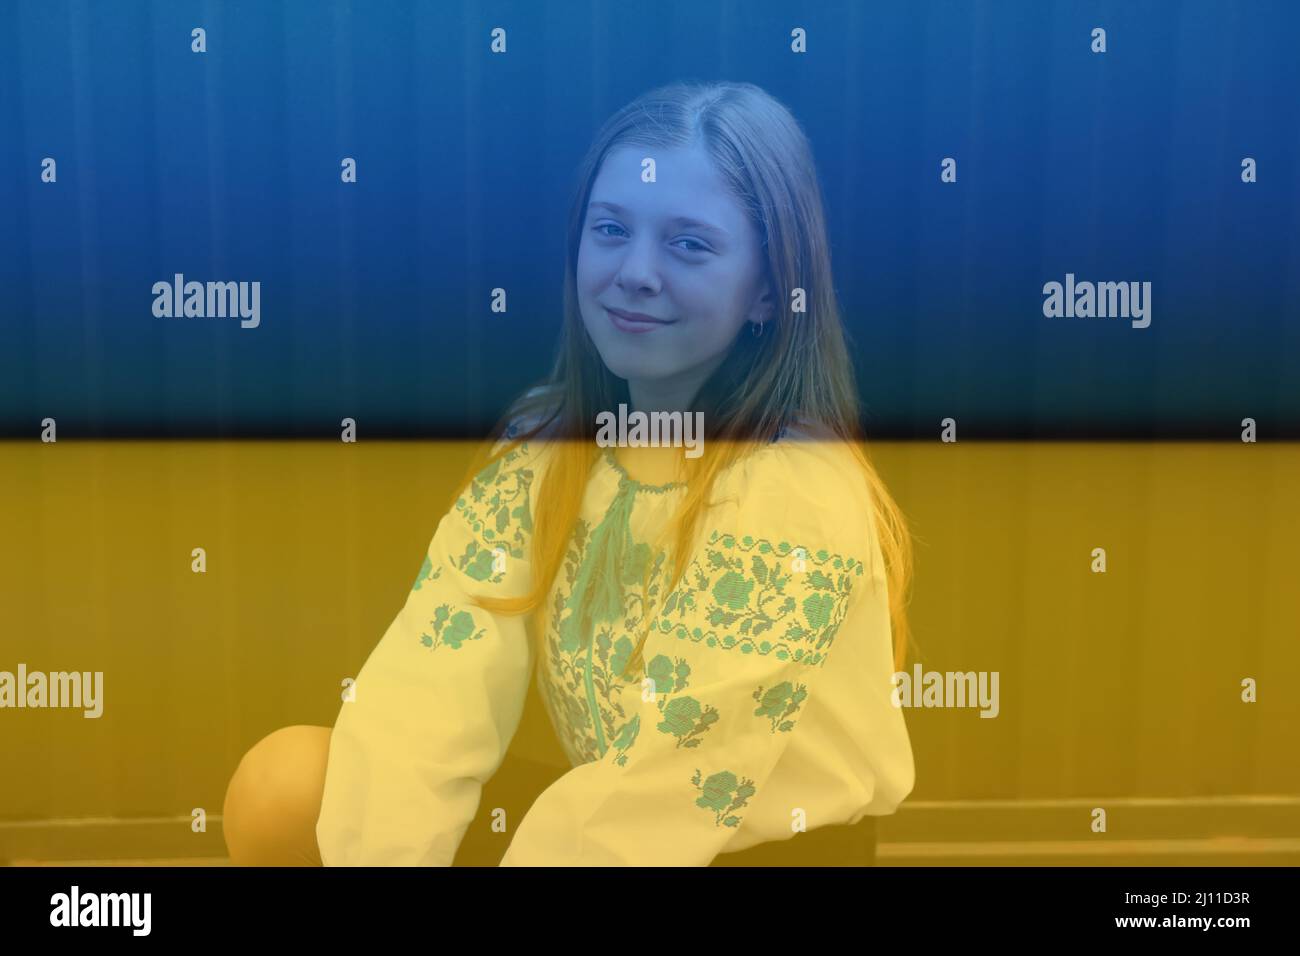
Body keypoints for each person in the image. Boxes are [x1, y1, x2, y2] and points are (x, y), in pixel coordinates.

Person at [223, 80, 915, 867]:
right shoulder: (547, 443)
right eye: (612, 230)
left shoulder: (792, 486)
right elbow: (431, 686)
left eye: (689, 244)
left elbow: (672, 786)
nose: (636, 273)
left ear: (766, 290)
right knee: (285, 786)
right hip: (603, 818)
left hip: (743, 847)